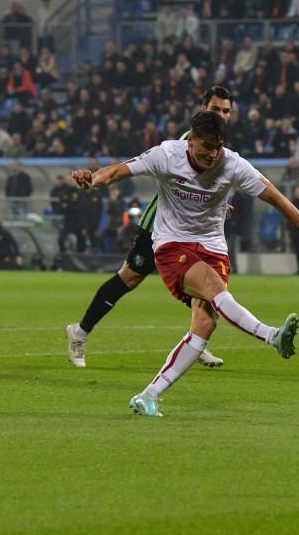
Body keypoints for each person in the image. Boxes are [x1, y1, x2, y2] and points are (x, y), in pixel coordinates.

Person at [71, 110, 299, 417]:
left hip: (213, 247)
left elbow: (276, 198)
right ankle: (271, 335)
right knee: (212, 288)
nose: (212, 154)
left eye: (218, 147)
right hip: (172, 244)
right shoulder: (167, 155)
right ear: (191, 141)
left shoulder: (233, 164)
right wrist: (93, 181)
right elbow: (117, 171)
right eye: (206, 146)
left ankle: (148, 395)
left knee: (206, 323)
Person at [64, 87, 235, 369]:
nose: (222, 115)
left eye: (226, 111)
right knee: (129, 278)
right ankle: (79, 332)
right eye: (216, 109)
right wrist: (93, 180)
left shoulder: (218, 144)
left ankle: (197, 338)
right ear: (203, 109)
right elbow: (182, 180)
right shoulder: (189, 140)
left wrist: (215, 203)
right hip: (161, 226)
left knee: (203, 283)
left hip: (195, 229)